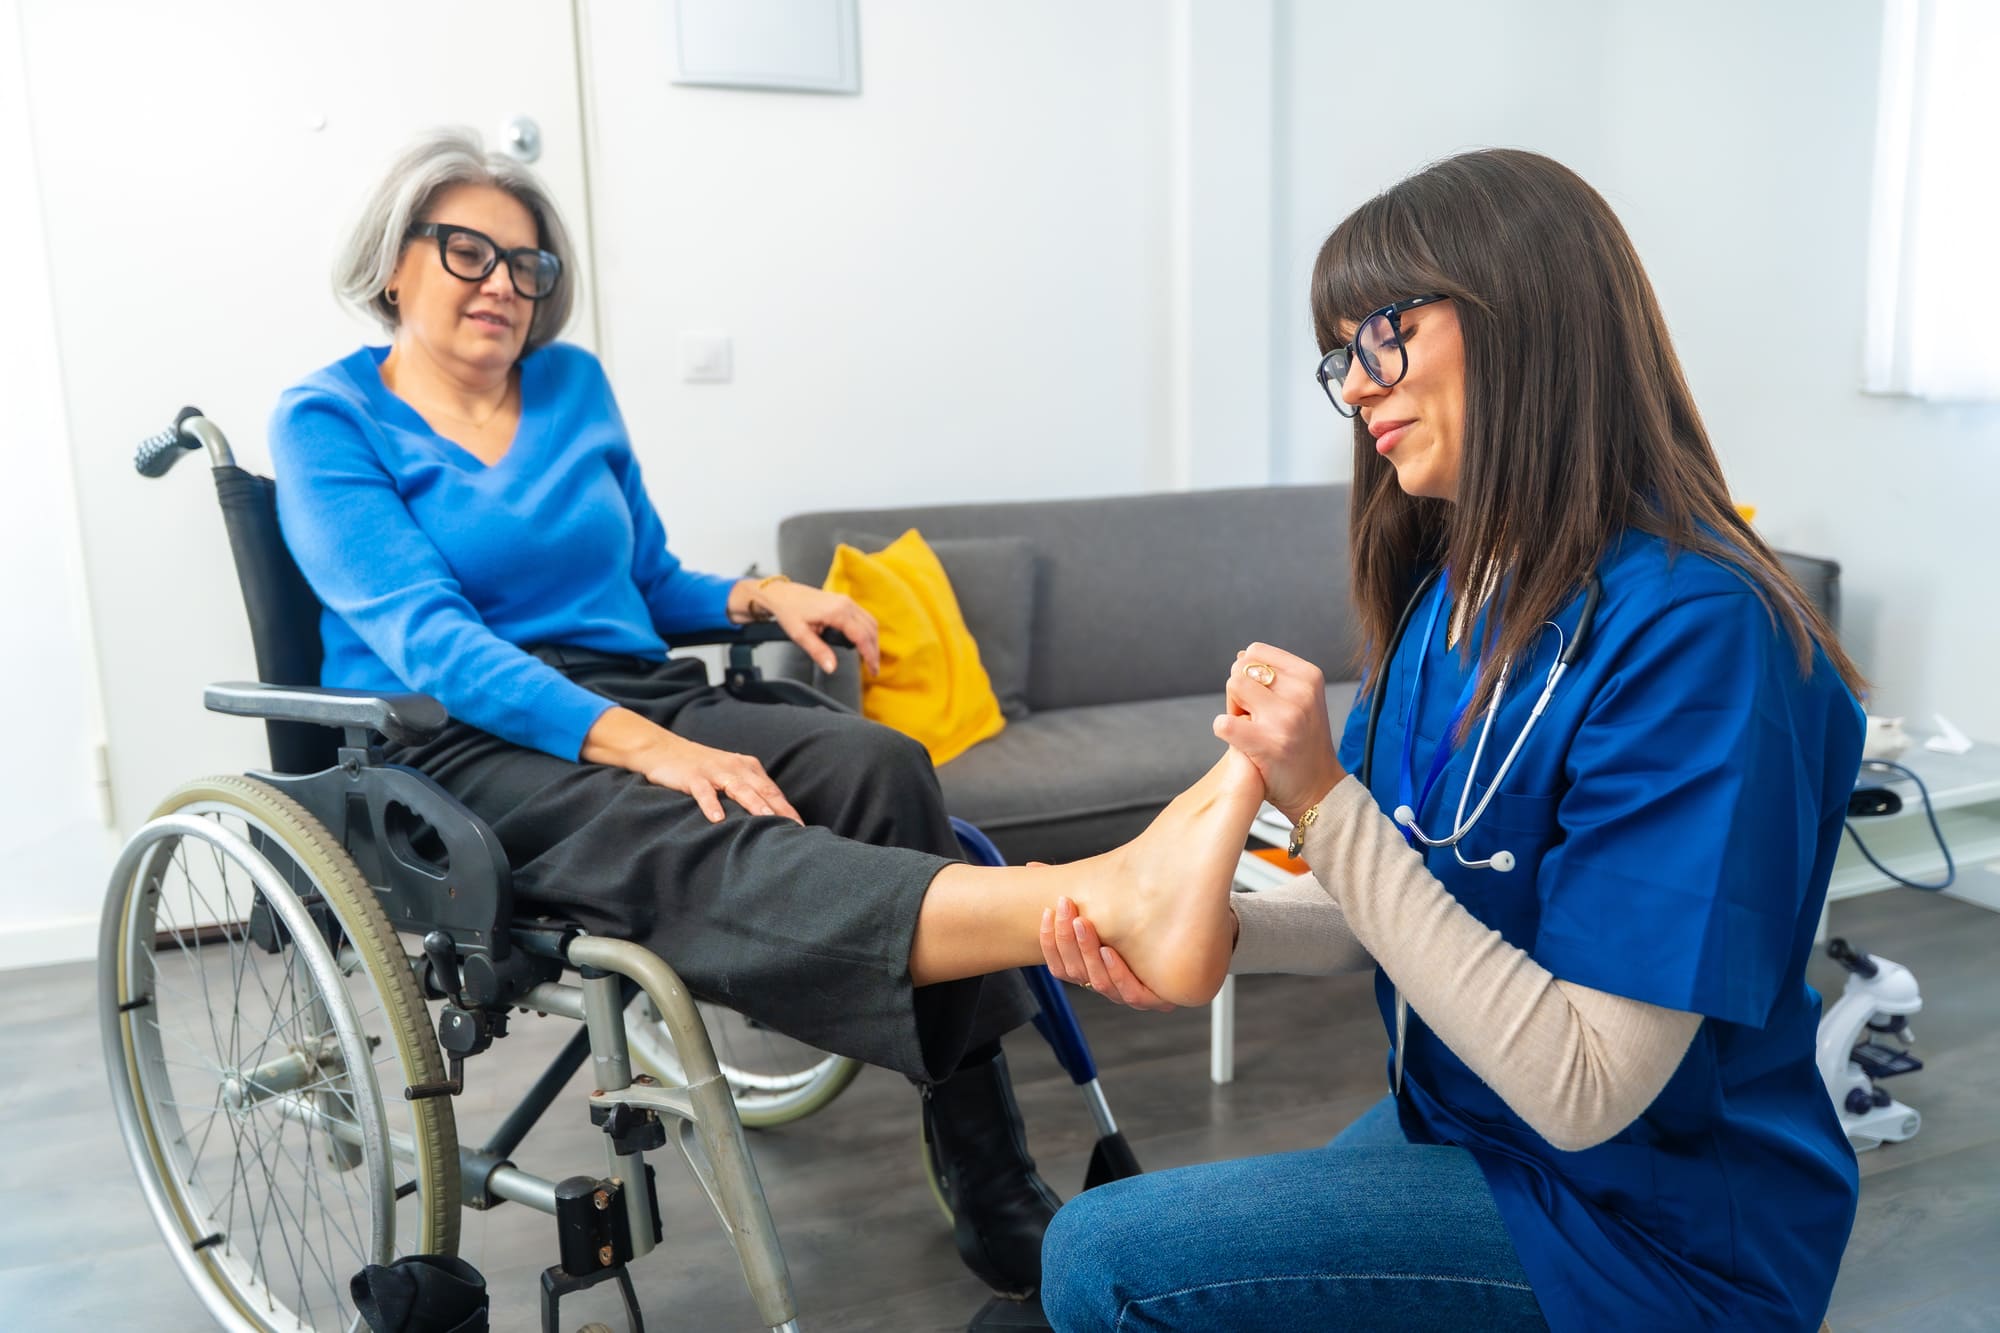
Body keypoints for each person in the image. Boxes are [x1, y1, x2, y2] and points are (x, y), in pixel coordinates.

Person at [270, 127, 1264, 1299]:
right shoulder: (328, 421)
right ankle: (1098, 898)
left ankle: (984, 1163)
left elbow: (641, 578)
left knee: (879, 767)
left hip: (631, 683)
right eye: (467, 252)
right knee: (704, 827)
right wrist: (653, 749)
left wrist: (756, 593)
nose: (503, 285)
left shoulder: (574, 387)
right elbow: (433, 641)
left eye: (528, 266)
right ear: (396, 263)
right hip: (461, 741)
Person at [1035, 149, 1866, 1333]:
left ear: (1524, 313)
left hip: (1647, 1225)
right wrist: (1222, 933)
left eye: (1381, 334)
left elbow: (1583, 1085)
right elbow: (1423, 890)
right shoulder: (1454, 594)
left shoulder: (1699, 634)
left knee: (1101, 1257)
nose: (1355, 388)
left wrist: (1321, 800)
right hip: (1472, 1127)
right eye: (1339, 358)